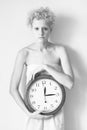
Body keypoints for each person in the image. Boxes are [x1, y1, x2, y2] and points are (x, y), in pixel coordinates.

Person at [10, 7, 74, 130]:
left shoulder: (59, 51)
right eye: (37, 28)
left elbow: (70, 83)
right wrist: (28, 112)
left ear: (51, 29)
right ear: (31, 28)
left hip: (55, 108)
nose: (41, 32)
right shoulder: (24, 53)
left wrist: (47, 67)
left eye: (45, 28)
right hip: (33, 109)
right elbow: (13, 89)